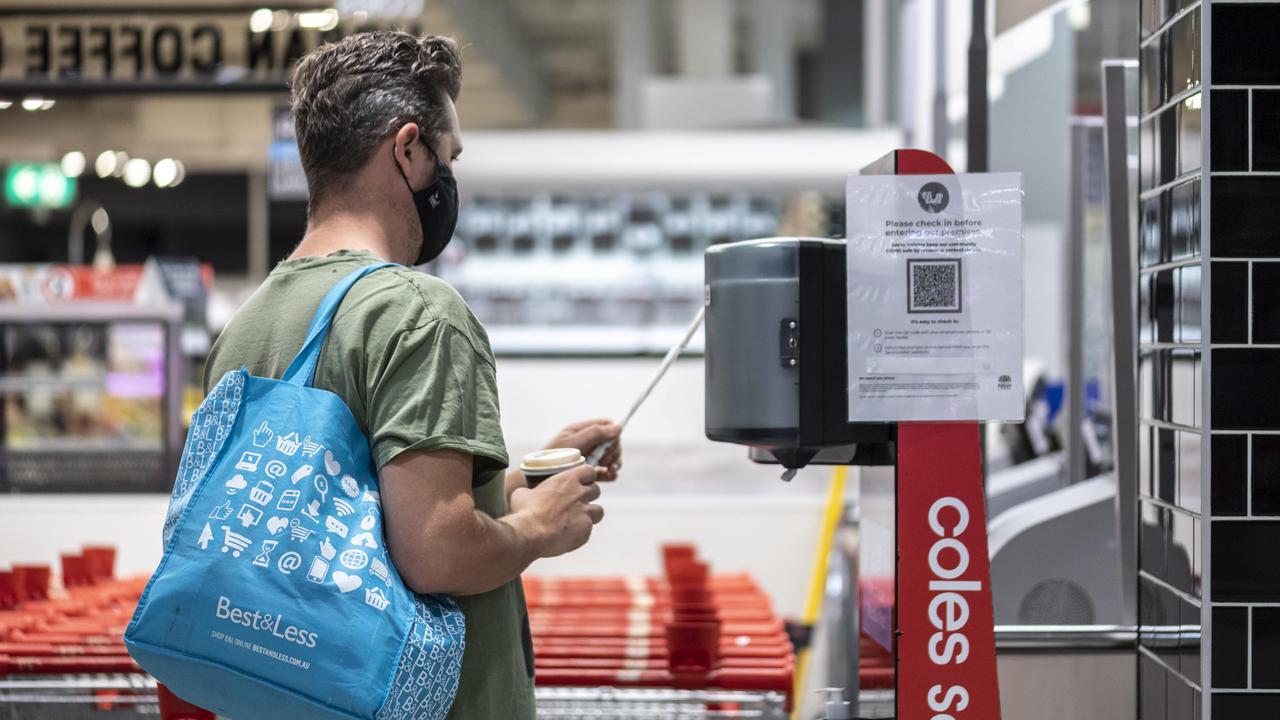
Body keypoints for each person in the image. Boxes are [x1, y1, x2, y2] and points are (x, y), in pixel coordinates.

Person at [204, 31, 622, 719]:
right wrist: (537, 531)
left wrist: (515, 485)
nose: (450, 177)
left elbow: (338, 508)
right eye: (447, 156)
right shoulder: (419, 311)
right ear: (406, 149)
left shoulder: (248, 324)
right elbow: (435, 553)